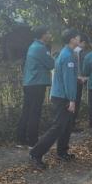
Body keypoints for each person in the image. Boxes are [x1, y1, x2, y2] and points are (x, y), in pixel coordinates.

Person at [29, 28, 81, 169]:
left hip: (61, 94)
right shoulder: (68, 56)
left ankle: (62, 152)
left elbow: (67, 76)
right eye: (77, 37)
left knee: (66, 125)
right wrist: (72, 99)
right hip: (62, 96)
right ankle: (35, 153)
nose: (79, 40)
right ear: (72, 40)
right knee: (58, 127)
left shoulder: (66, 53)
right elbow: (68, 80)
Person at [17, 27, 54, 146]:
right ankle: (33, 141)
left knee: (27, 111)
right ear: (43, 35)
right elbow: (51, 64)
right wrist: (54, 57)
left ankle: (21, 139)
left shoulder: (32, 46)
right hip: (37, 83)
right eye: (48, 32)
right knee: (35, 112)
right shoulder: (41, 48)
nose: (50, 35)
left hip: (29, 83)